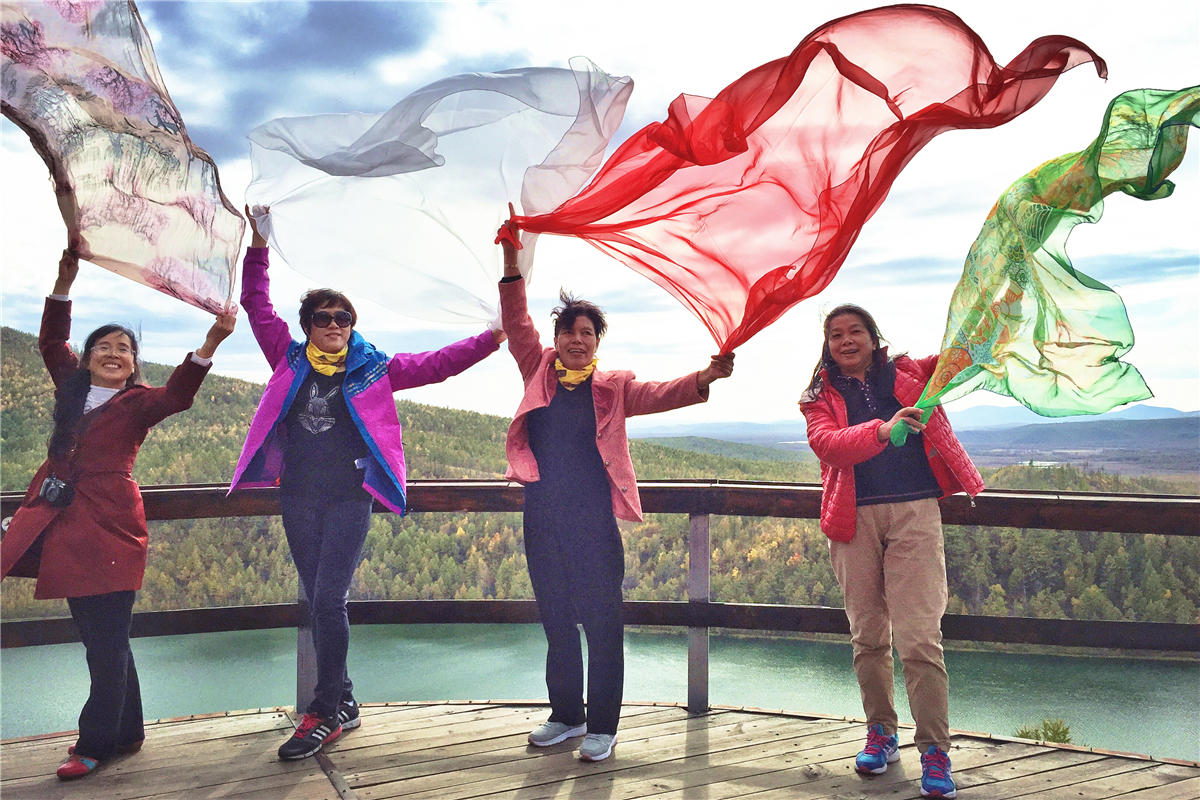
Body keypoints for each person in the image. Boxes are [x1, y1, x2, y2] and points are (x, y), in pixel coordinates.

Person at [229, 208, 505, 760]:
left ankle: (324, 712)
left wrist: (492, 338)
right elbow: (256, 305)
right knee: (318, 601)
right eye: (323, 318)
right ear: (307, 326)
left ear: (352, 325)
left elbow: (438, 363)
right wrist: (258, 243)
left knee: (329, 599)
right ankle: (346, 699)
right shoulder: (287, 358)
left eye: (343, 317)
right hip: (298, 496)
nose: (334, 325)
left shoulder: (374, 368)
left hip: (350, 499)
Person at [495, 217, 734, 762]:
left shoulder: (613, 387)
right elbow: (517, 321)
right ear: (556, 340)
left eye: (587, 334)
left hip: (594, 523)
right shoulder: (537, 370)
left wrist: (705, 378)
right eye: (569, 332)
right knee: (556, 620)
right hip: (542, 516)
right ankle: (566, 716)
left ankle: (602, 726)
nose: (577, 341)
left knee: (602, 623)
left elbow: (662, 393)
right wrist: (511, 262)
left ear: (597, 342)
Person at [0, 247, 236, 781]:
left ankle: (95, 743)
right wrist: (63, 283)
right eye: (103, 346)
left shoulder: (138, 403)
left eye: (124, 349)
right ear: (86, 360)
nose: (113, 353)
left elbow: (179, 394)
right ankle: (128, 731)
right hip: (61, 523)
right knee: (105, 639)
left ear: (133, 366)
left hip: (110, 529)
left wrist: (211, 342)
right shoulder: (72, 389)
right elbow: (50, 343)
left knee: (104, 643)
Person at [798, 304, 983, 799]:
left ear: (872, 336)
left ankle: (935, 752)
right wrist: (883, 429)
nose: (846, 340)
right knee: (868, 636)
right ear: (827, 345)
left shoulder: (911, 372)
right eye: (836, 334)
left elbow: (964, 354)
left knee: (920, 638)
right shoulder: (817, 396)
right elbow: (829, 444)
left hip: (915, 514)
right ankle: (881, 732)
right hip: (852, 519)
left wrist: (999, 297)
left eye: (854, 331)